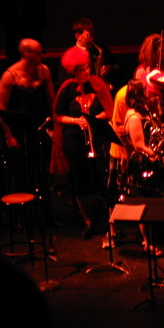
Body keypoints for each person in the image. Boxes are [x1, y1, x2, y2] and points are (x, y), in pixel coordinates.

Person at [52, 46, 116, 239]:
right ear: (73, 71)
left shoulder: (98, 84)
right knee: (80, 179)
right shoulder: (67, 88)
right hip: (74, 138)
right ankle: (88, 220)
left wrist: (92, 120)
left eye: (88, 67)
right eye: (82, 69)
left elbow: (109, 110)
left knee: (103, 177)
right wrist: (76, 121)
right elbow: (58, 116)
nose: (87, 71)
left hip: (97, 137)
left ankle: (111, 221)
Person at [119, 79, 164, 256]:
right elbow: (139, 145)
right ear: (139, 94)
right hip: (146, 165)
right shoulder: (134, 117)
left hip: (157, 163)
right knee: (146, 204)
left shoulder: (145, 111)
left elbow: (154, 132)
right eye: (145, 90)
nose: (149, 92)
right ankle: (148, 243)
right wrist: (158, 156)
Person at [0, 39, 56, 192]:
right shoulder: (10, 76)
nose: (41, 57)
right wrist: (8, 136)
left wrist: (56, 125)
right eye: (37, 54)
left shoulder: (44, 71)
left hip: (40, 126)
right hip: (19, 129)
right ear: (26, 54)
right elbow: (1, 108)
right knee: (22, 170)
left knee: (42, 168)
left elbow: (51, 100)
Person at [0, 0, 47, 65]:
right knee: (14, 66)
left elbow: (42, 18)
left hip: (33, 37)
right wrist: (15, 34)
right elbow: (4, 18)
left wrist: (29, 34)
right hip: (14, 40)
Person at [57, 17, 121, 92]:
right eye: (88, 35)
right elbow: (63, 83)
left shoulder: (101, 49)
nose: (92, 38)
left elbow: (117, 67)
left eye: (92, 35)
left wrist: (109, 68)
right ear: (78, 36)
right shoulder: (69, 56)